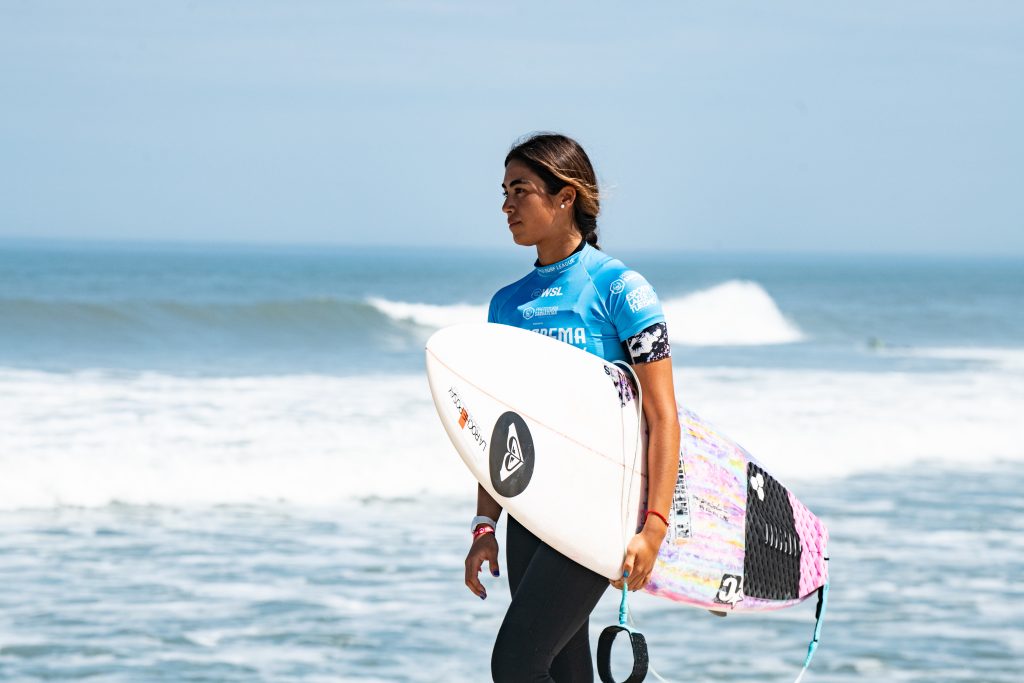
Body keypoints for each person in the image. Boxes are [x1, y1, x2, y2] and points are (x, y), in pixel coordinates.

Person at [464, 132, 681, 682]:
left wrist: (653, 527)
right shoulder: (506, 305)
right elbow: (499, 427)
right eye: (504, 191)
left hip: (597, 509)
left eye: (521, 190)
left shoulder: (621, 290)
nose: (507, 205)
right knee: (564, 671)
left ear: (565, 198)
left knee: (516, 662)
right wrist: (484, 526)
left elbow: (661, 415)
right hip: (531, 511)